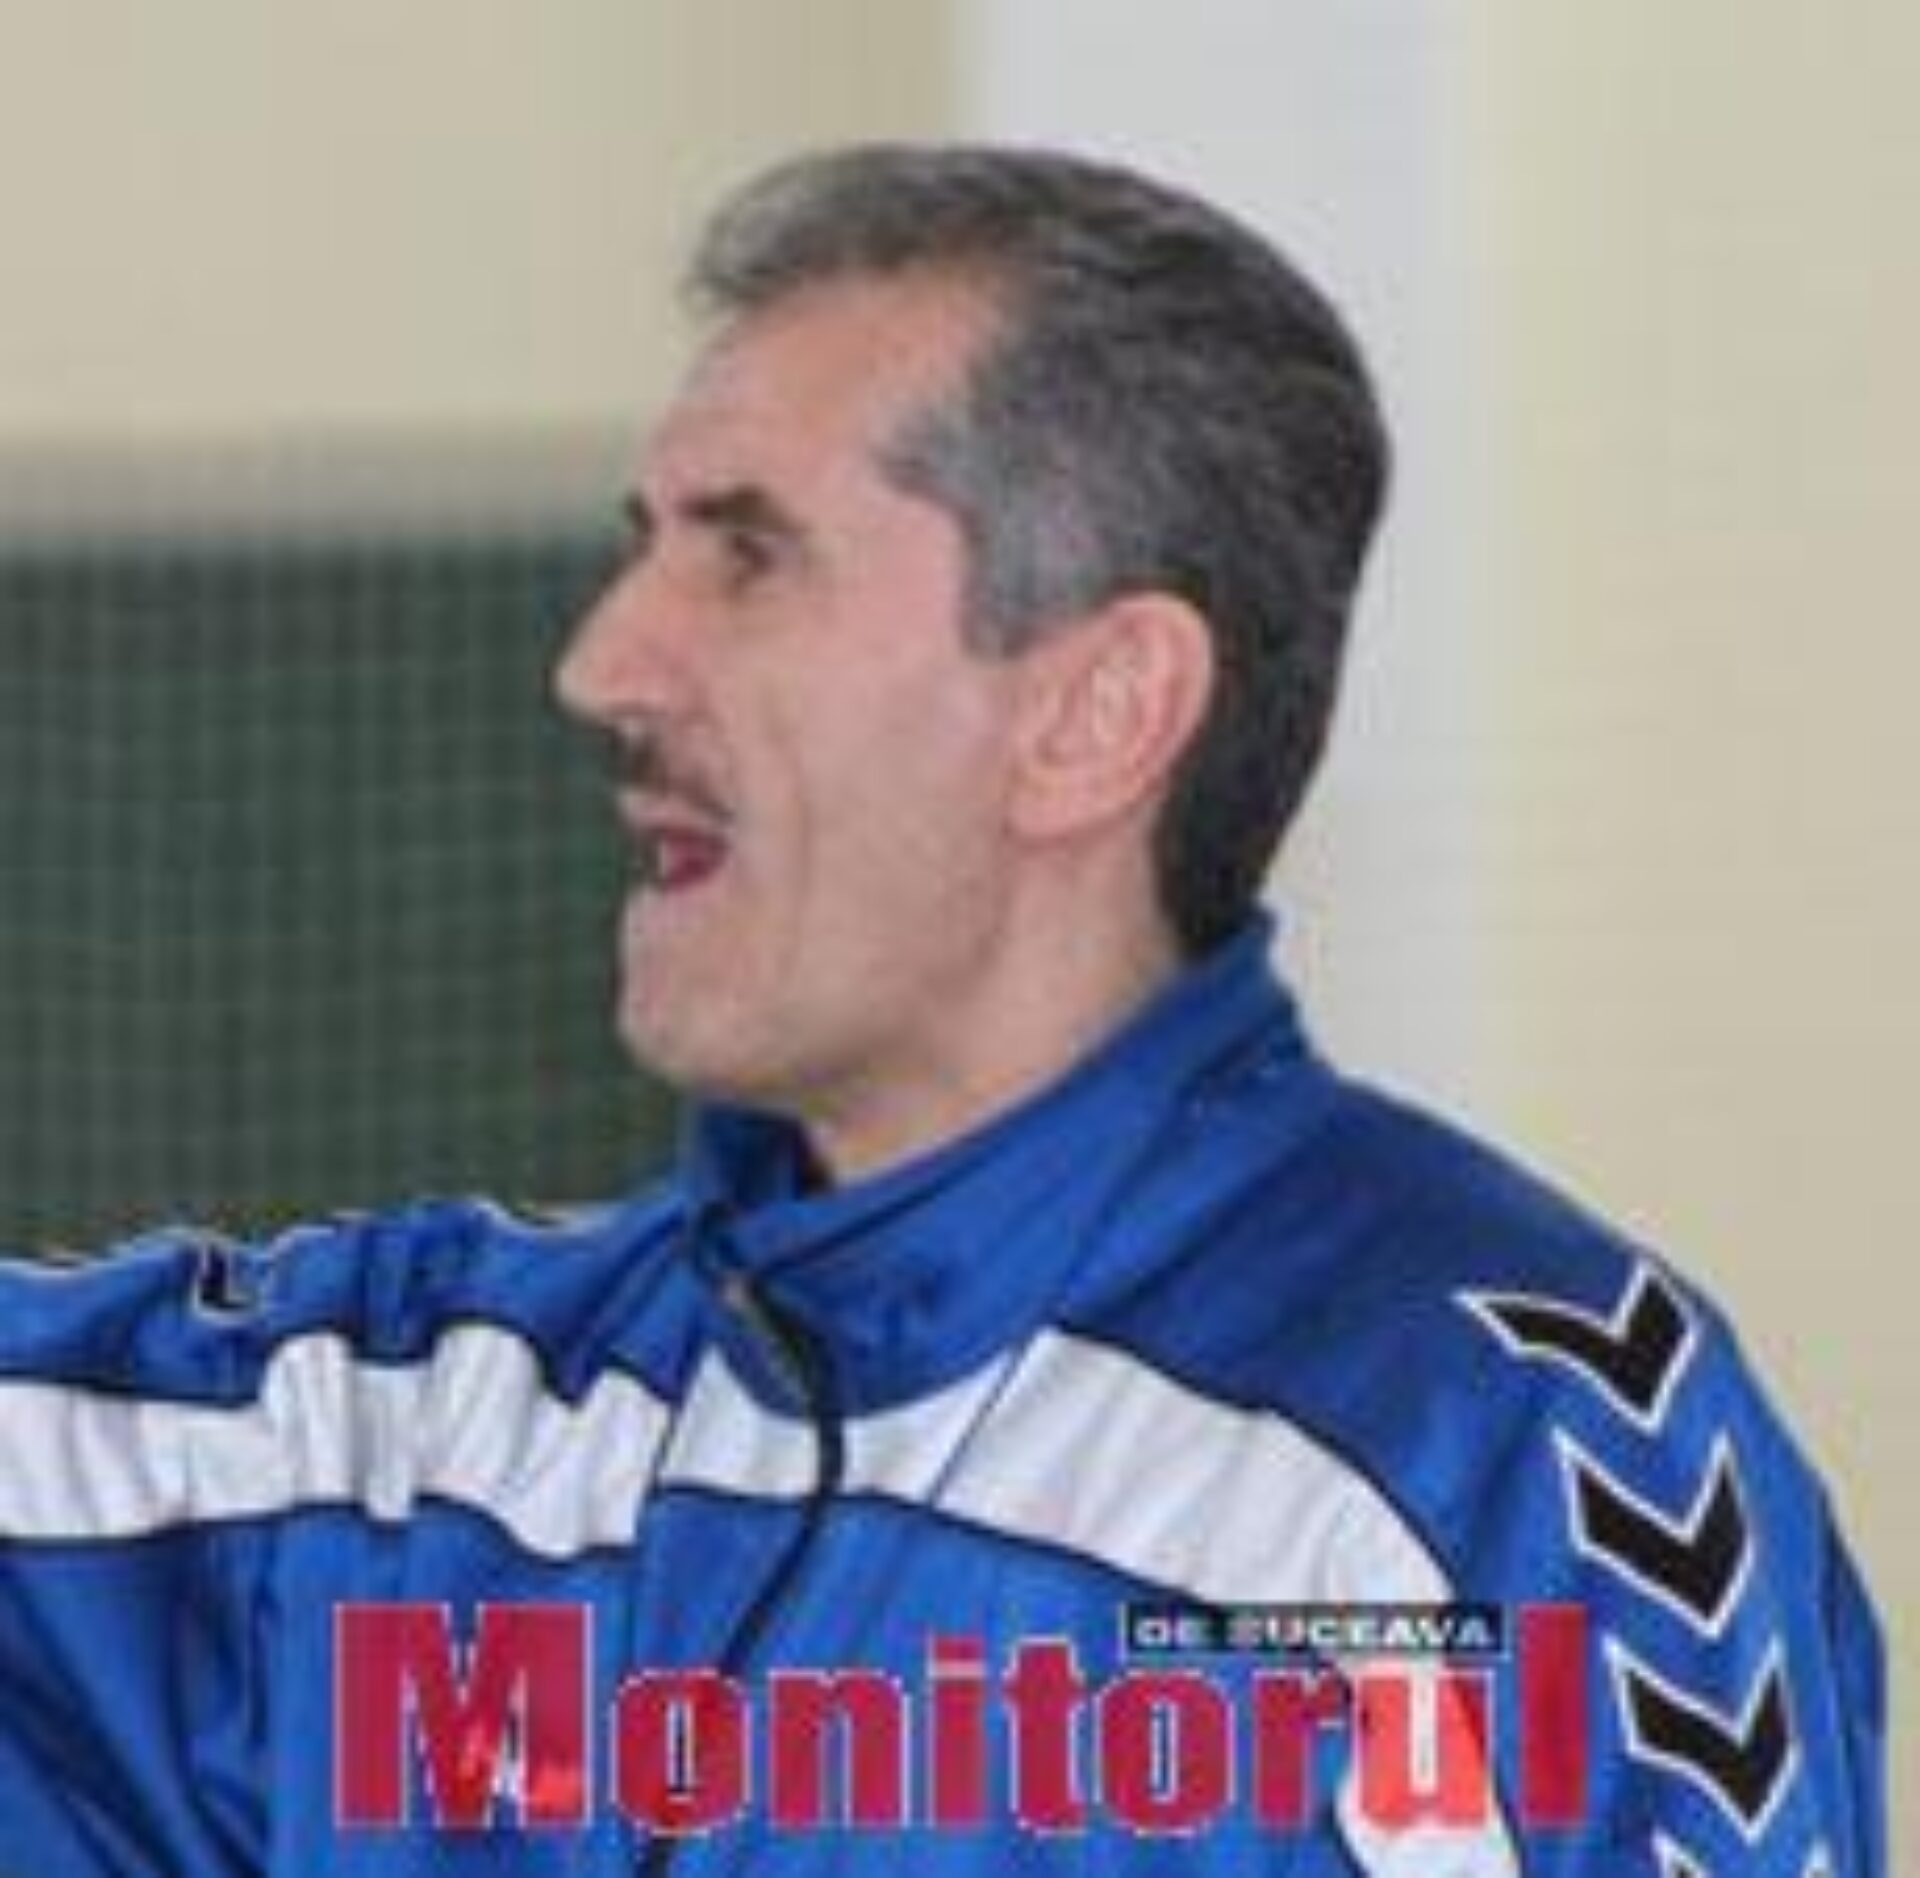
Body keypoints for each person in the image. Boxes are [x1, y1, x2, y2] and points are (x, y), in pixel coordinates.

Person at [0, 144, 1883, 1875]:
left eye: (747, 552)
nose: (601, 661)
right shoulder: (410, 1447)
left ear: (1094, 714)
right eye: (642, 544)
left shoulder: (1498, 1451)